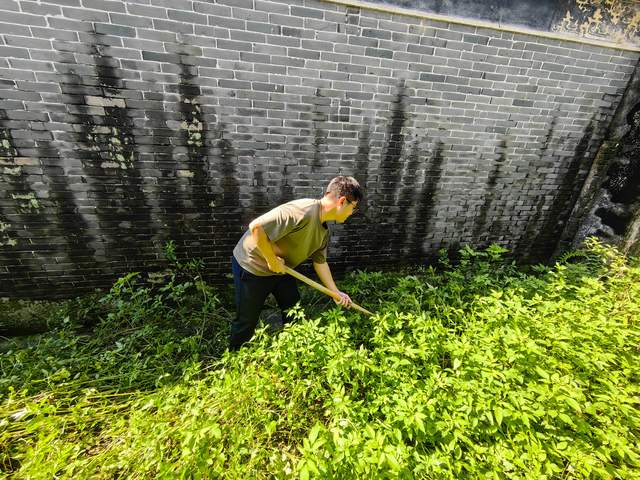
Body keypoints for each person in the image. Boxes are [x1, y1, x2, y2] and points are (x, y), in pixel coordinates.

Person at [229, 176, 363, 350]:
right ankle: (235, 355)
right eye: (354, 207)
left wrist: (335, 292)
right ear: (342, 201)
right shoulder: (301, 211)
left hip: (282, 269)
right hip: (252, 266)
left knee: (294, 310)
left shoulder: (323, 231)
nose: (352, 213)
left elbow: (320, 262)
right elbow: (256, 226)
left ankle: (291, 348)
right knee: (247, 321)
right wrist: (271, 260)